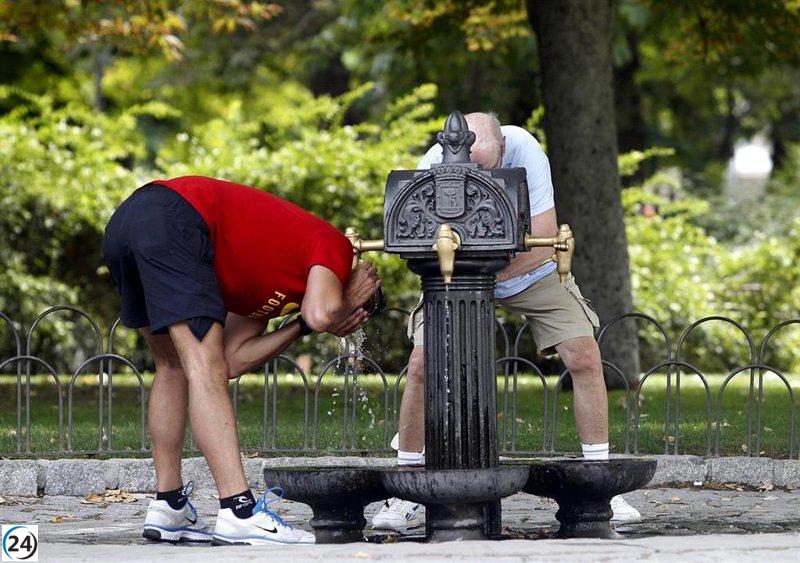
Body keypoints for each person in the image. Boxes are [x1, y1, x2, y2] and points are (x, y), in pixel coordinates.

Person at [371, 113, 641, 532]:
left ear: (502, 148)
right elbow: (413, 244)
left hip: (527, 272)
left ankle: (601, 486)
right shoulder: (431, 163)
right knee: (422, 366)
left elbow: (545, 235)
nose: (475, 175)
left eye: (485, 167)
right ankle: (404, 494)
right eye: (467, 166)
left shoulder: (524, 148)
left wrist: (482, 272)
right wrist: (466, 279)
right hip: (453, 280)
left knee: (585, 356)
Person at [103, 176, 381, 545]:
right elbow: (323, 313)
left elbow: (233, 360)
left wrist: (297, 326)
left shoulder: (275, 288)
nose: (347, 326)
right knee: (204, 369)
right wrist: (342, 308)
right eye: (357, 315)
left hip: (129, 221)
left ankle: (168, 505)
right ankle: (239, 510)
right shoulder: (336, 246)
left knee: (174, 366)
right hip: (177, 217)